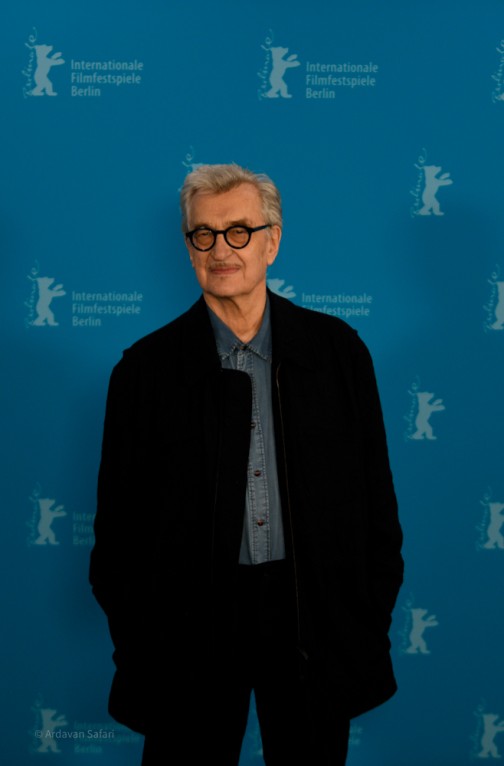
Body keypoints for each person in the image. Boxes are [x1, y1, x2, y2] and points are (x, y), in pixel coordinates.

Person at [89, 163, 404, 766]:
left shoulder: (338, 354)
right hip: (191, 630)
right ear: (189, 248)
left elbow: (377, 511)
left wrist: (362, 616)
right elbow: (118, 538)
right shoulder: (144, 373)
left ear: (271, 241)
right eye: (203, 234)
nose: (220, 249)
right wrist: (147, 635)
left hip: (310, 616)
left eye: (239, 231)